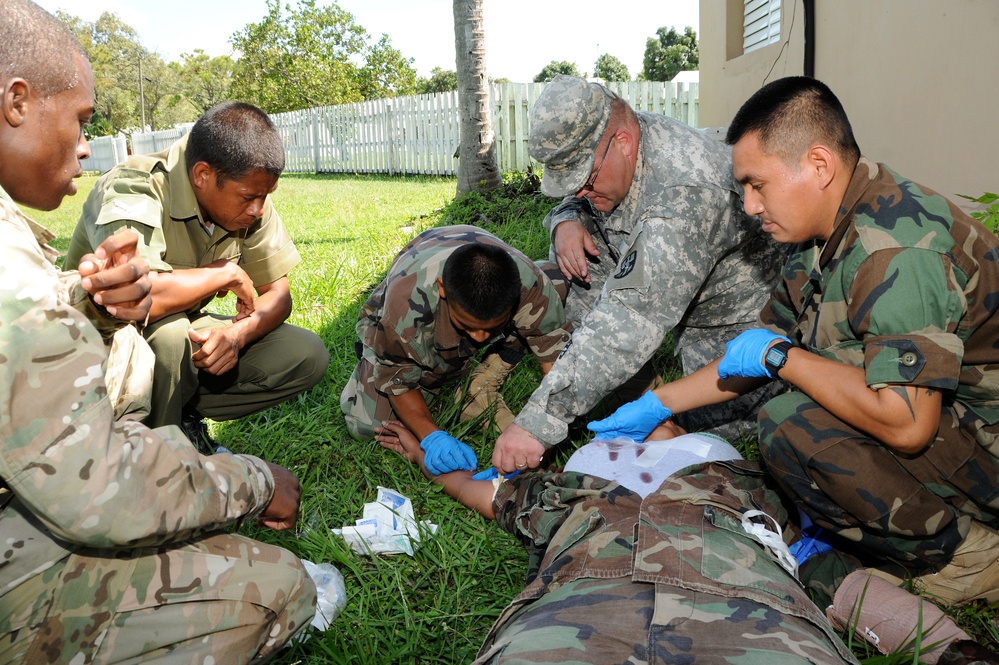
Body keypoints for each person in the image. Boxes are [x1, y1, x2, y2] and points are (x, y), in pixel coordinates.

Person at [590, 76, 999, 604]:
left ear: (819, 165)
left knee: (789, 425)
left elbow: (908, 425)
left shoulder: (892, 250)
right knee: (795, 400)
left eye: (757, 184)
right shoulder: (822, 237)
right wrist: (656, 403)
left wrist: (783, 358)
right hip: (957, 421)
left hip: (982, 436)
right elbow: (754, 350)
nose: (749, 205)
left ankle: (972, 557)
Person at [0, 2, 315, 661]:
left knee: (296, 351)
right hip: (83, 479)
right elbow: (97, 492)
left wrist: (84, 298)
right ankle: (174, 457)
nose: (85, 144)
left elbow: (276, 290)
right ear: (17, 102)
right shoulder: (130, 187)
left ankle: (174, 456)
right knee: (277, 586)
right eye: (82, 120)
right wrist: (253, 479)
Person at [492, 75, 785, 474]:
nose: (580, 191)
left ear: (624, 143)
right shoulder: (615, 143)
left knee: (710, 443)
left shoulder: (684, 192)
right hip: (655, 277)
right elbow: (580, 189)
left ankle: (630, 391)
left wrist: (536, 424)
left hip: (731, 319)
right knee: (562, 276)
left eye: (585, 181)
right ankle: (628, 386)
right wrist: (567, 218)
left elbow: (630, 316)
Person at [64, 101, 330, 452]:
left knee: (305, 353)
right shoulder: (135, 186)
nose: (258, 209)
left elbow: (278, 294)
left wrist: (237, 335)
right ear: (203, 175)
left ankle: (180, 412)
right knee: (172, 335)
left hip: (175, 339)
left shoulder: (247, 195)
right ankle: (150, 453)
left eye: (265, 196)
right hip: (93, 348)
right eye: (250, 197)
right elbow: (135, 298)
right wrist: (224, 272)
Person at [341, 225, 571, 475]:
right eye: (468, 326)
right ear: (443, 289)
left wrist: (541, 437)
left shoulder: (531, 284)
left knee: (557, 284)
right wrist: (432, 436)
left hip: (496, 284)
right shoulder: (404, 312)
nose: (481, 338)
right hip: (409, 313)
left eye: (491, 328)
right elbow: (398, 383)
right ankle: (428, 369)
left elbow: (555, 365)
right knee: (366, 424)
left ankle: (486, 373)